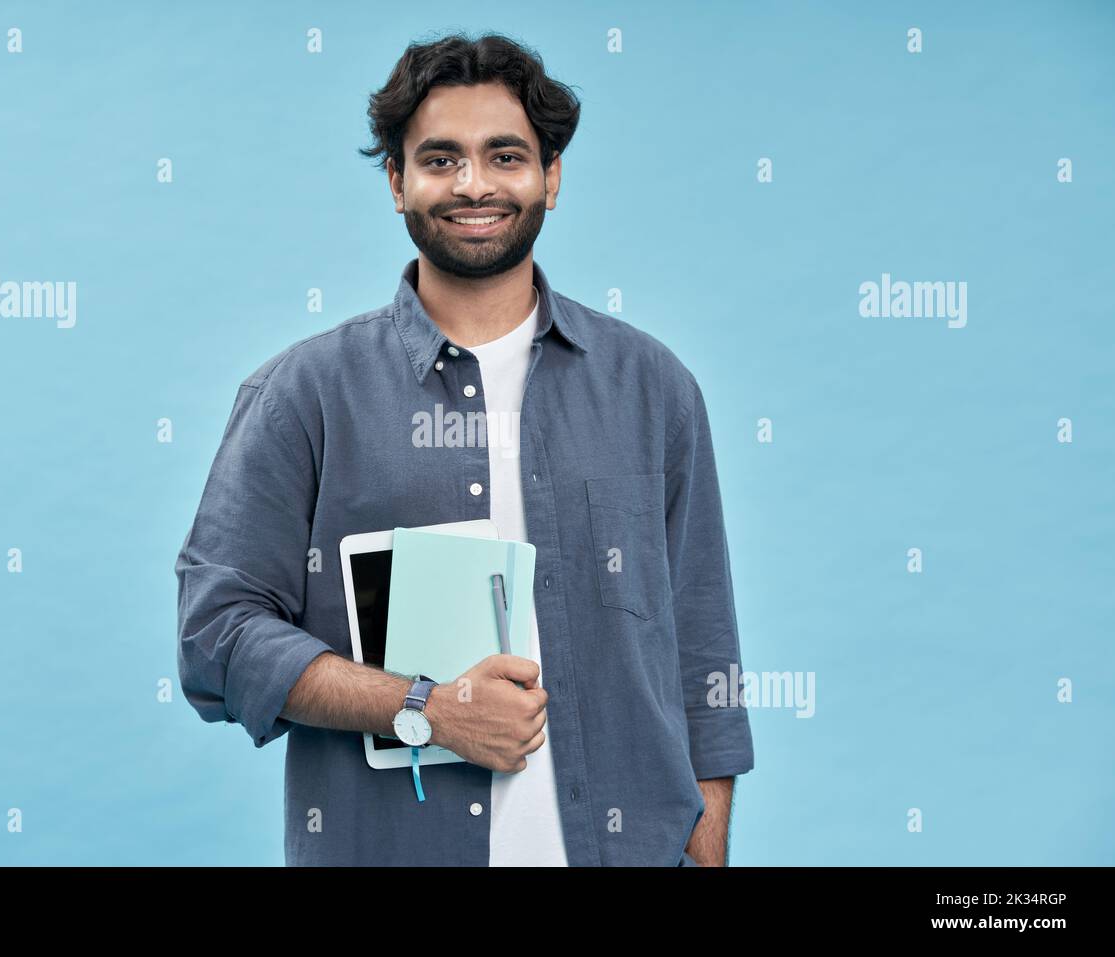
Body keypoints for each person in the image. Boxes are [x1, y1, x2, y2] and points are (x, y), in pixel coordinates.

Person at [174, 32, 754, 866]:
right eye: (440, 159)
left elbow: (705, 661)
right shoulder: (303, 396)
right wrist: (426, 708)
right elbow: (215, 635)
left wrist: (707, 855)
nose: (474, 184)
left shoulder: (654, 389)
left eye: (505, 155)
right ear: (397, 182)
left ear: (550, 178)